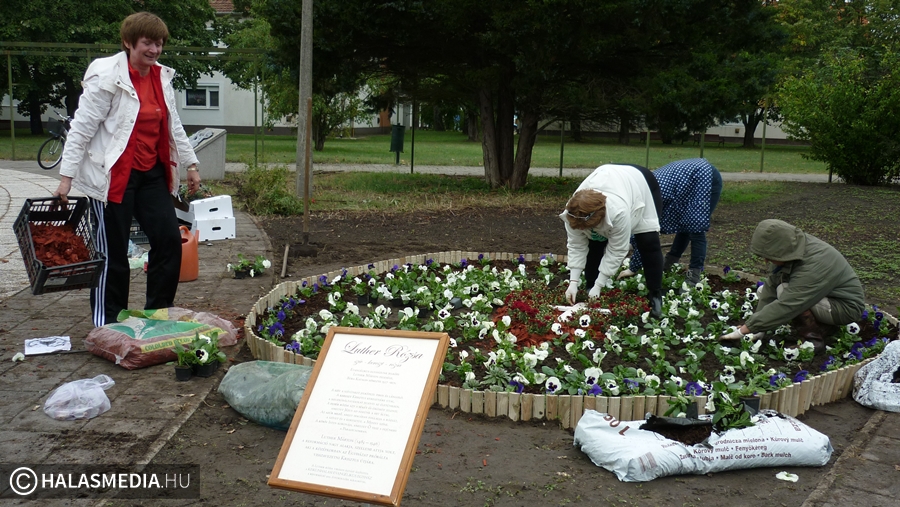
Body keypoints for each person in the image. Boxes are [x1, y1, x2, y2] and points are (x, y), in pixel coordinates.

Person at [53, 12, 200, 327]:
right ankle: (108, 323)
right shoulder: (108, 77)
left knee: (168, 240)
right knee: (113, 254)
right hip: (114, 178)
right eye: (147, 43)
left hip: (152, 174)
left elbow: (173, 125)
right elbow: (81, 128)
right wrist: (66, 179)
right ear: (128, 43)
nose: (154, 50)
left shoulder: (161, 77)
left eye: (159, 43)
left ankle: (158, 314)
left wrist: (191, 163)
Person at [718, 219, 865, 349]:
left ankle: (813, 340)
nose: (766, 261)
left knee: (784, 291)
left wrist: (744, 330)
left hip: (843, 307)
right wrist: (756, 326)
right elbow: (771, 285)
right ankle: (823, 326)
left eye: (769, 257)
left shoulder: (815, 263)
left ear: (780, 250)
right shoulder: (790, 248)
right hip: (825, 298)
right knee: (765, 290)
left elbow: (790, 303)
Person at [561, 163, 664, 319]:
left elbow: (617, 250)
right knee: (594, 241)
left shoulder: (619, 212)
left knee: (648, 242)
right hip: (611, 179)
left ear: (599, 217)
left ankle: (655, 294)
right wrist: (573, 282)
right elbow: (576, 245)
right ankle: (590, 285)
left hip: (640, 182)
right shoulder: (572, 211)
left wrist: (600, 284)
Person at [625, 158, 723, 285]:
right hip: (685, 180)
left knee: (696, 227)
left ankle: (693, 278)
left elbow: (645, 236)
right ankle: (669, 264)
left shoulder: (647, 202)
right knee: (686, 223)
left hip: (706, 177)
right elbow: (641, 237)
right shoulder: (638, 200)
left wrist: (633, 268)